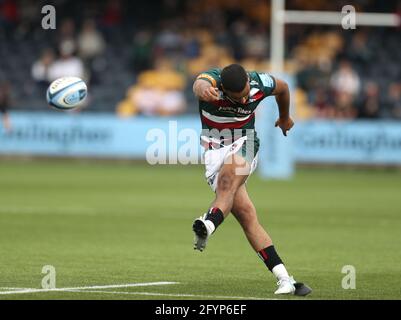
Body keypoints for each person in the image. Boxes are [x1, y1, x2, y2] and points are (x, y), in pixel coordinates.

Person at [192, 63, 312, 296]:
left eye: (247, 93)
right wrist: (202, 89)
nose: (246, 99)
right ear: (224, 90)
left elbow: (284, 87)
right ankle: (285, 278)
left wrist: (285, 117)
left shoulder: (259, 83)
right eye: (239, 98)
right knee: (247, 216)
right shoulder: (213, 82)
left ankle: (208, 224)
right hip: (215, 151)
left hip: (245, 142)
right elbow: (199, 83)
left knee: (227, 184)